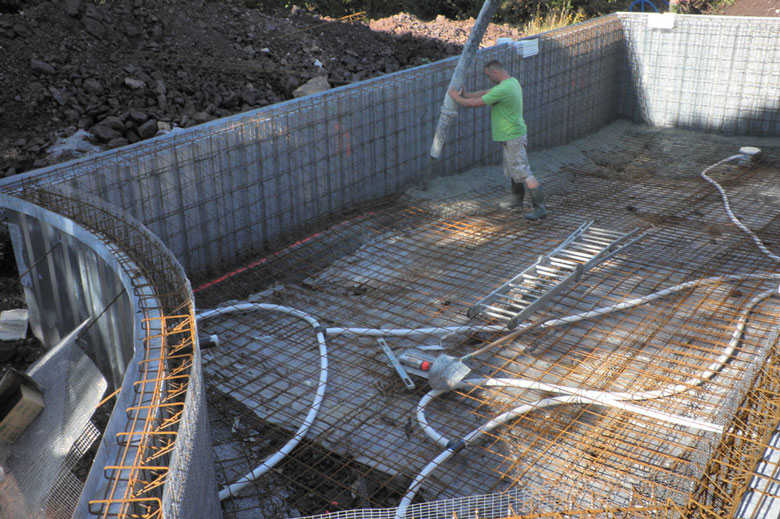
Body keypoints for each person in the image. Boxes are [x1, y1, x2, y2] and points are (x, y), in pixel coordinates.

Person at [448, 60, 546, 220]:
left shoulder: (504, 89)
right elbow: (487, 92)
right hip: (512, 135)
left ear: (495, 73)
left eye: (488, 75)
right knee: (514, 170)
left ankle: (540, 208)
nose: (489, 79)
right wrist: (465, 94)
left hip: (513, 136)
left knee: (523, 172)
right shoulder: (511, 83)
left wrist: (457, 99)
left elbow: (475, 104)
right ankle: (517, 200)